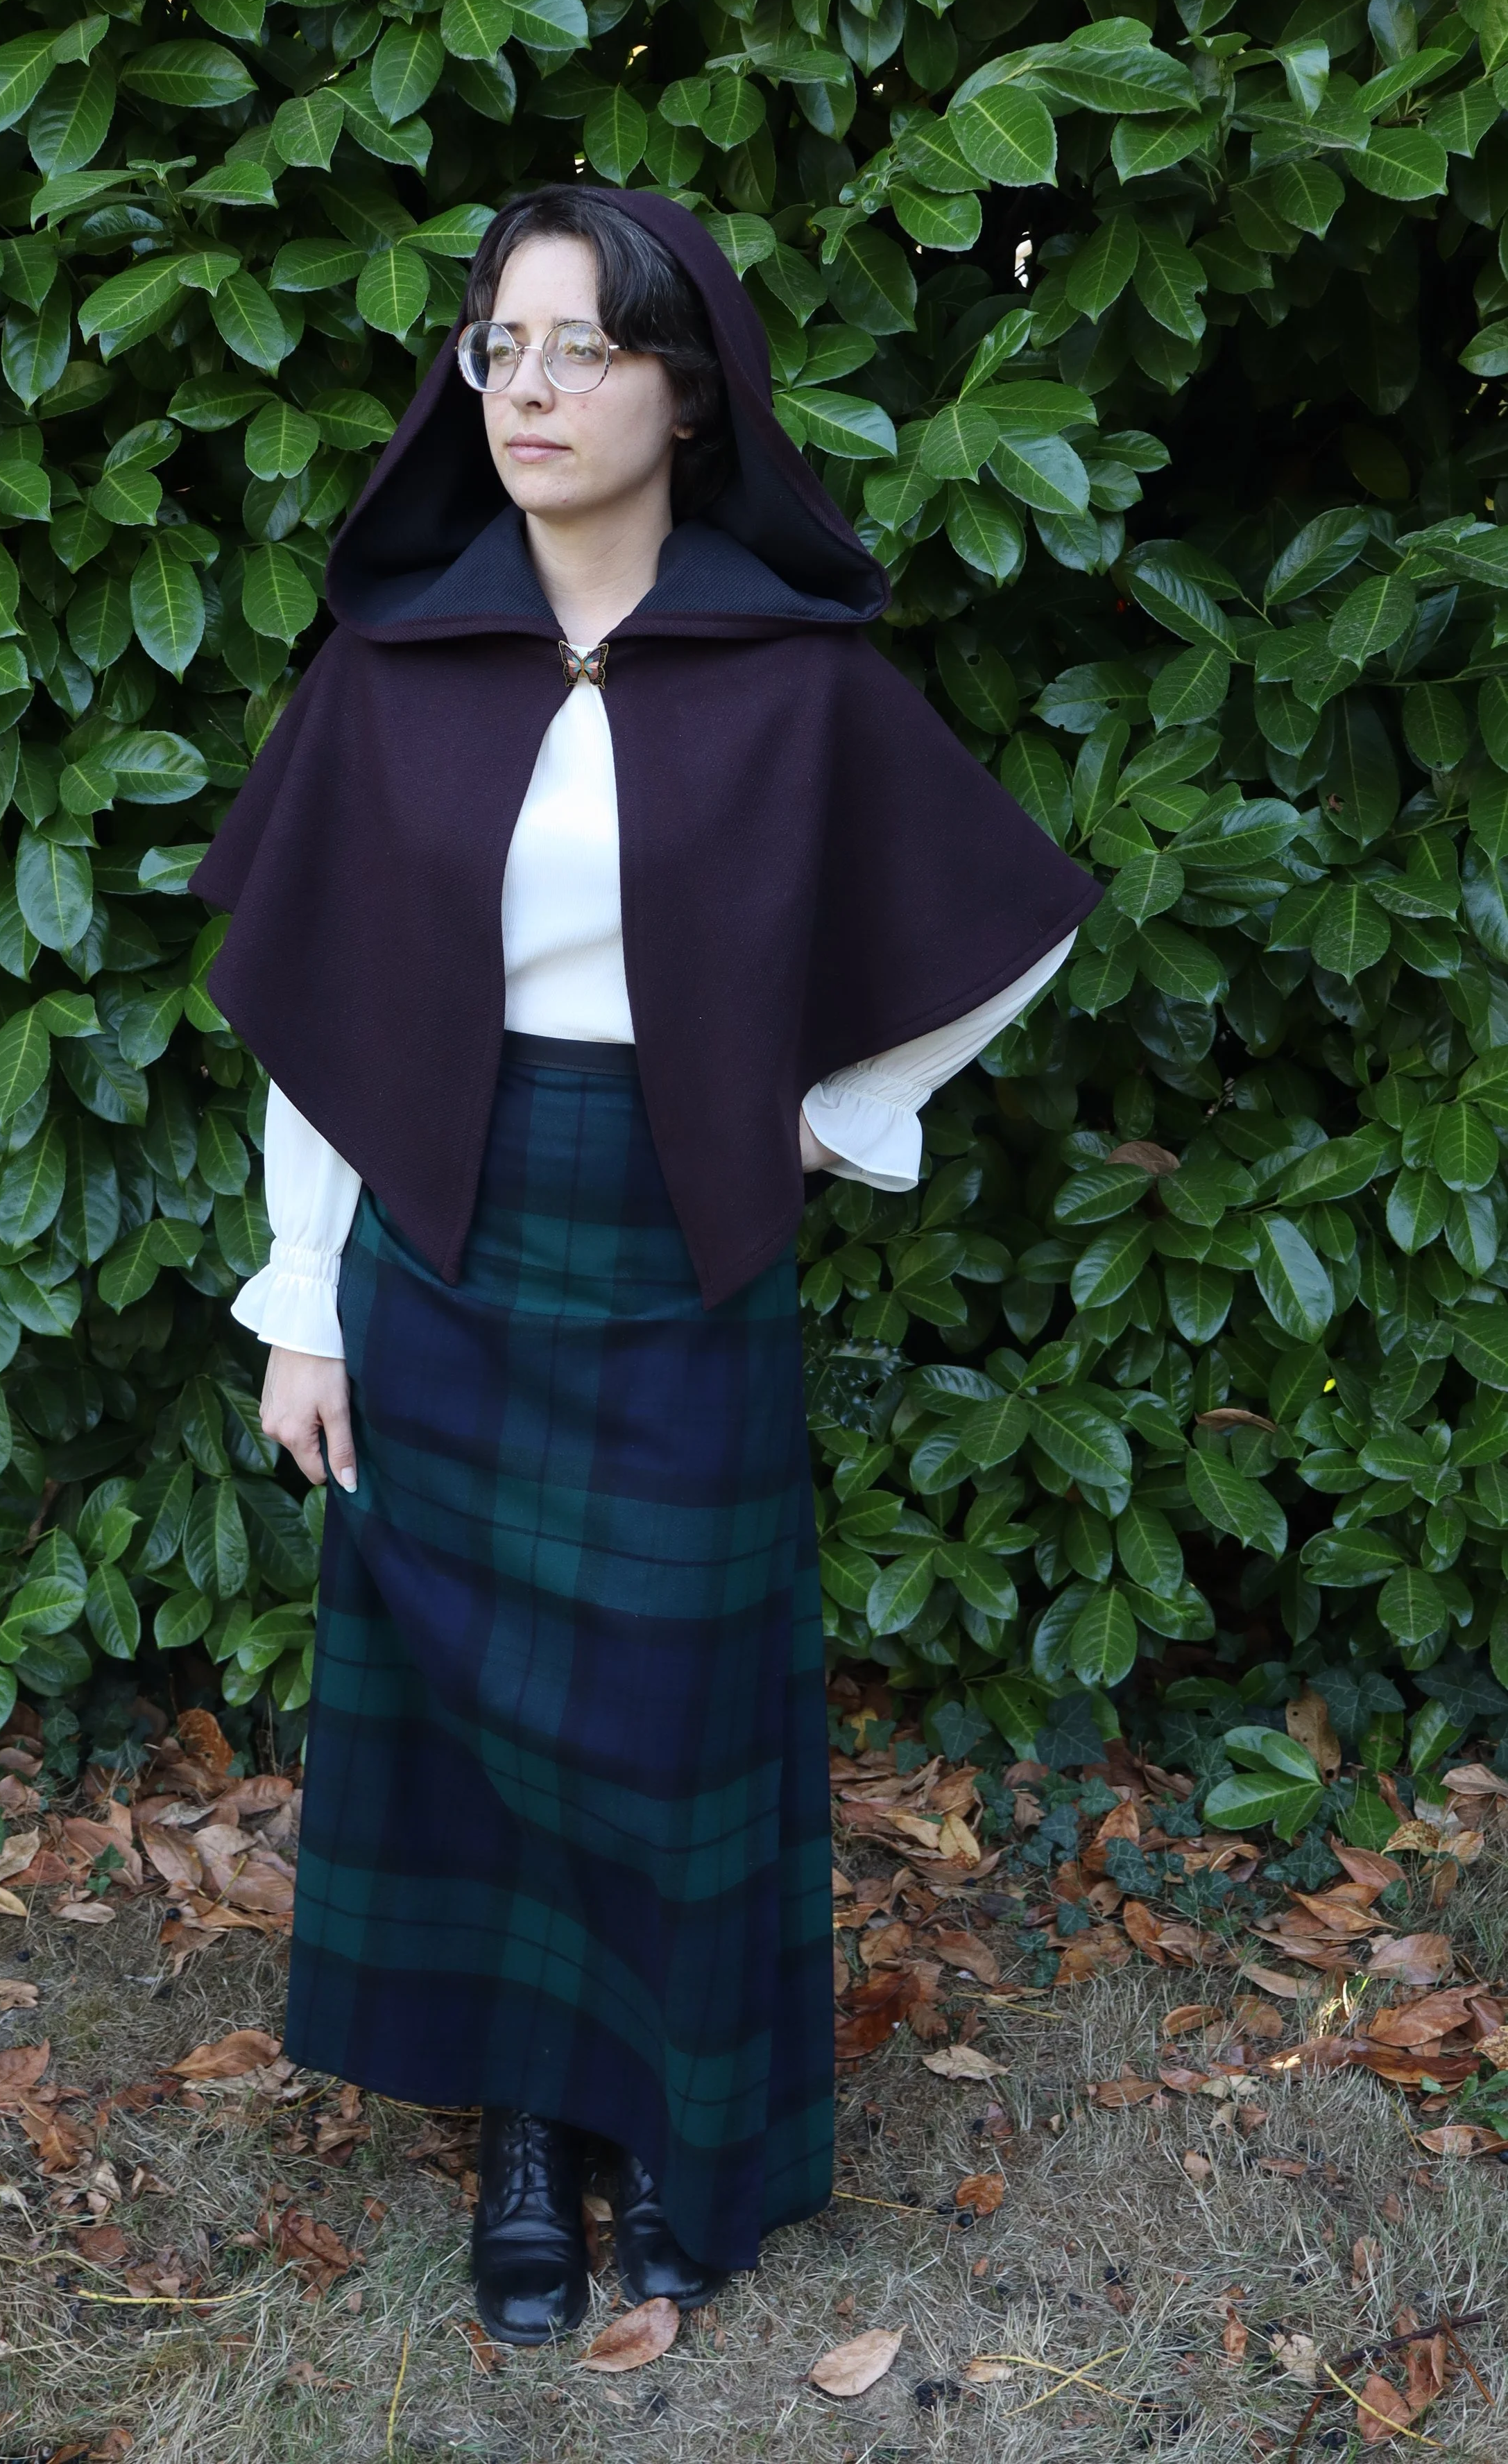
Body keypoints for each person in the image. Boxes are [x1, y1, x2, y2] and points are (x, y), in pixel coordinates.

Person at [190, 184, 1099, 2345]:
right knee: (479, 1716)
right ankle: (528, 2129)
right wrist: (303, 1295)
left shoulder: (784, 675)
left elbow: (1009, 927)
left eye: (579, 348)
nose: (528, 389)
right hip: (440, 1229)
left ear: (686, 393)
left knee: (672, 1720)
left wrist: (828, 1110)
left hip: (676, 1235)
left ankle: (681, 2121)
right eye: (499, 348)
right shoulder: (402, 657)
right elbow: (325, 1006)